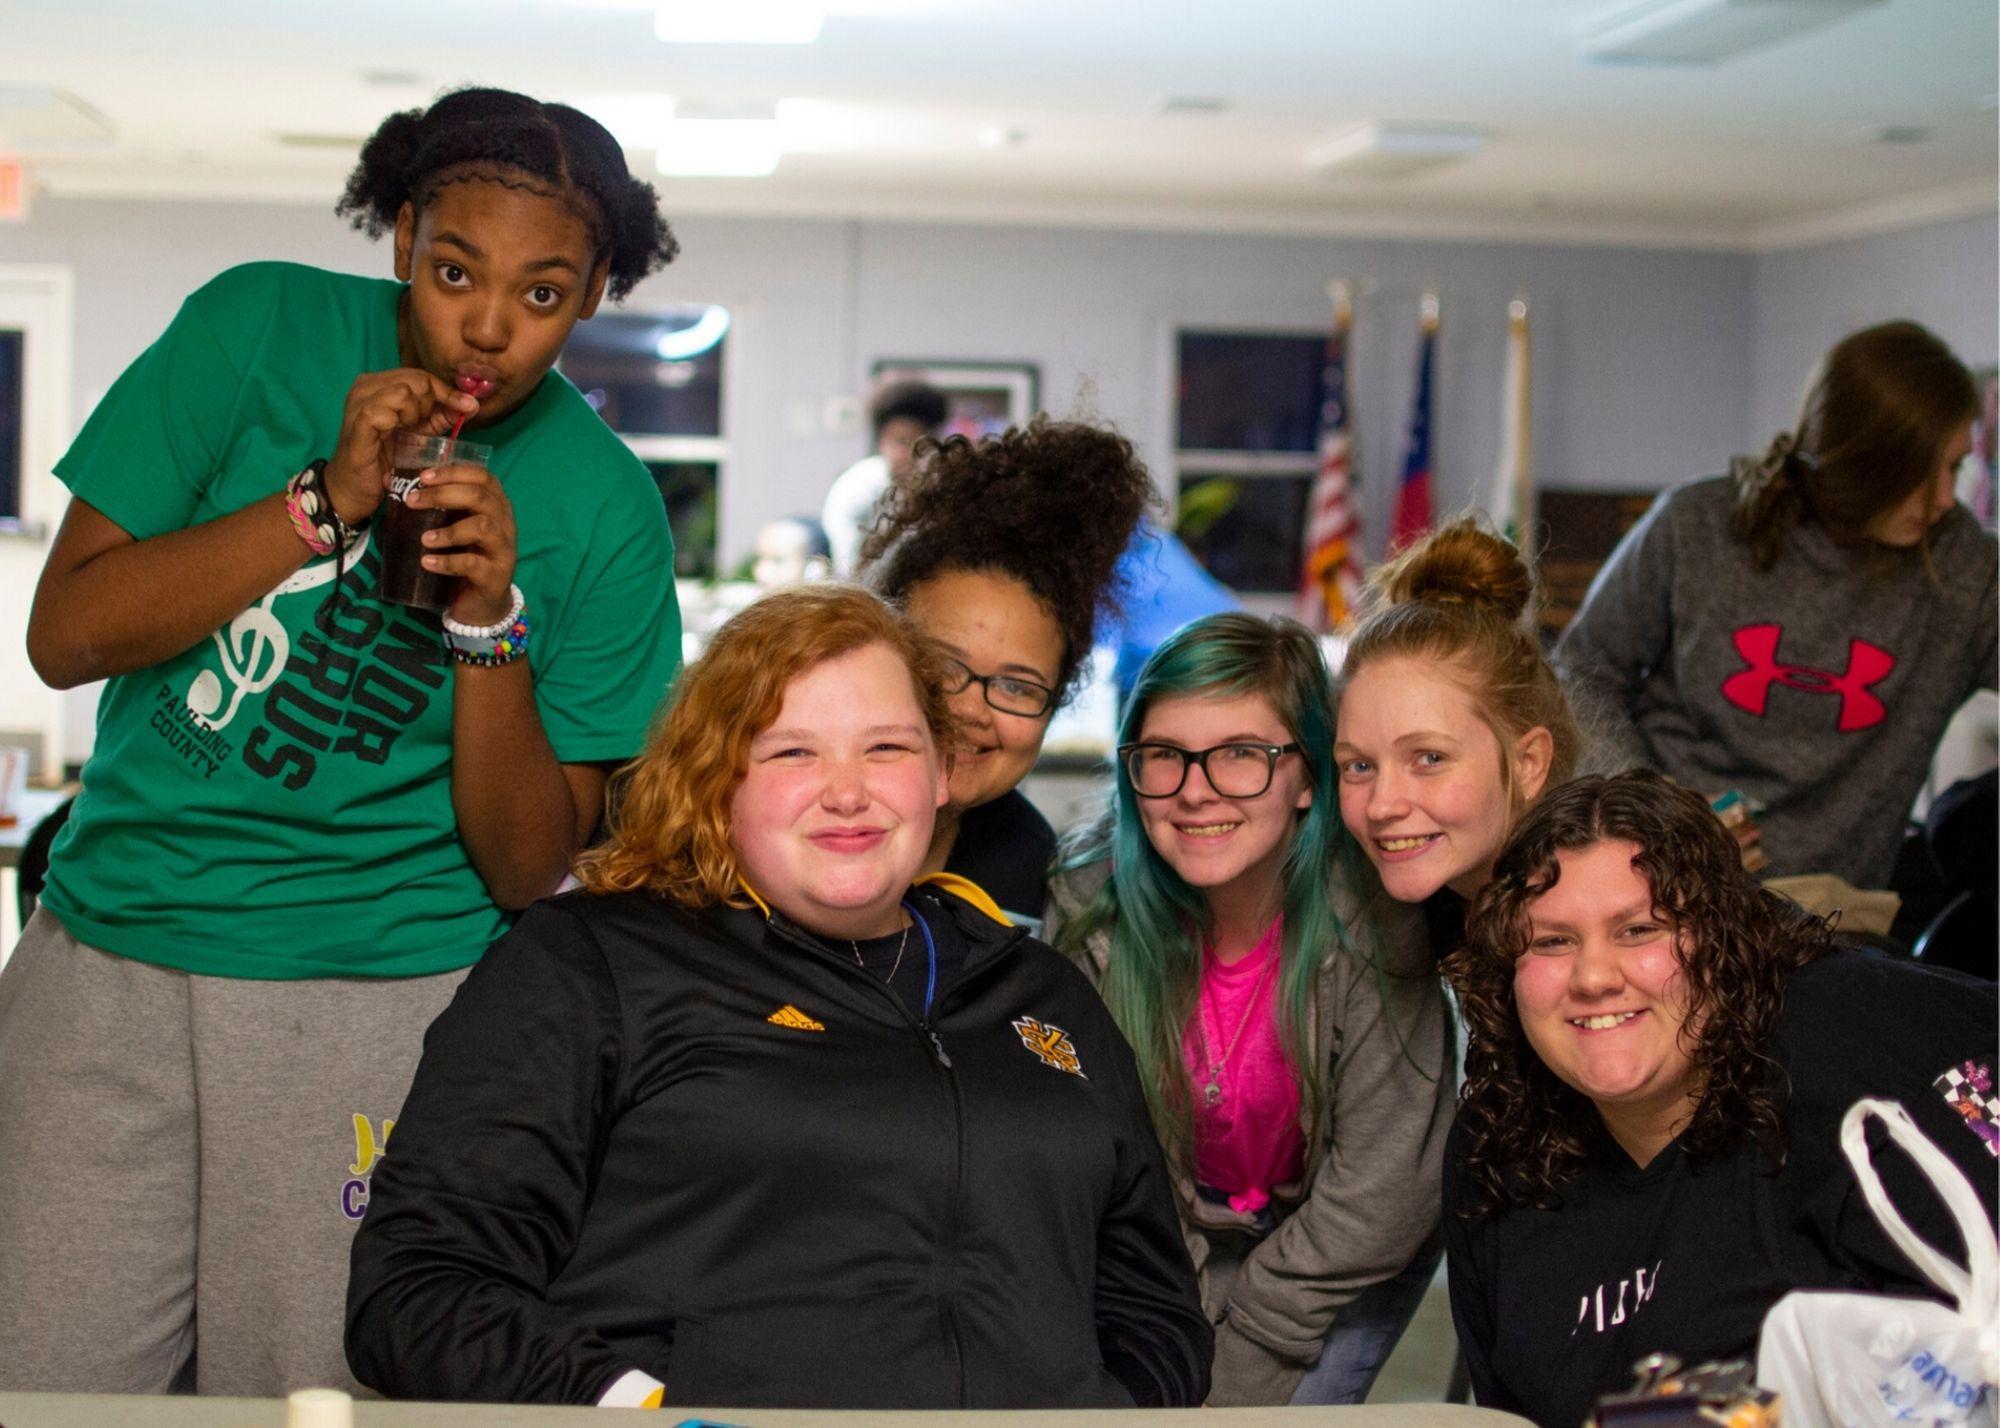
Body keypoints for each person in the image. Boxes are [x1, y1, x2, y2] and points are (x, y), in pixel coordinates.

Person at [4, 87, 682, 1396]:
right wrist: (324, 501)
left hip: (380, 997)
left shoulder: (604, 508)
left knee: (316, 1398)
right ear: (401, 241)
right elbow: (67, 635)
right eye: (452, 271)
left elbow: (527, 864)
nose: (486, 324)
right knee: (44, 1389)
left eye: (541, 294)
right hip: (108, 957)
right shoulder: (257, 326)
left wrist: (493, 626)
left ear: (596, 292)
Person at [345, 585, 1211, 1410]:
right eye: (794, 751)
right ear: (716, 781)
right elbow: (419, 1286)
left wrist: (1112, 1413)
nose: (848, 791)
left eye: (888, 747)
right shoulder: (591, 965)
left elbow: (1153, 1301)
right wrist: (644, 1410)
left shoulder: (1040, 989)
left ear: (942, 773)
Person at [1442, 770, 1999, 1428]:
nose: (1593, 977)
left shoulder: (1846, 1032)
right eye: (1552, 942)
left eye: (1639, 930)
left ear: (1725, 940)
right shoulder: (1495, 1147)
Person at [1046, 613, 1452, 1406]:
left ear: (1308, 777)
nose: (1195, 791)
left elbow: (1387, 1183)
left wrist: (1246, 1349)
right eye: (1164, 756)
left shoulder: (1374, 909)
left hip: (1338, 1252)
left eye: (1241, 755)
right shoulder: (1088, 898)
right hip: (1157, 1248)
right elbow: (1107, 1157)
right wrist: (1183, 1319)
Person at [1557, 321, 1996, 889]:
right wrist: (1652, 808)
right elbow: (1574, 677)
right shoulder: (1694, 526)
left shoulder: (1965, 569)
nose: (1945, 499)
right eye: (1921, 473)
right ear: (1861, 459)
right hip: (1656, 884)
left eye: (1956, 468)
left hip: (1830, 919)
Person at [864, 415, 1153, 928]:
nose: (971, 709)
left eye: (1018, 686)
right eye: (943, 666)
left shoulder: (1039, 884)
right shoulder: (763, 836)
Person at [1333, 518, 1580, 950]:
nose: (1381, 805)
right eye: (1359, 766)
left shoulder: (1586, 926)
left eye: (1429, 758)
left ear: (1528, 763)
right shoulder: (1447, 914)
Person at [820, 378, 948, 576]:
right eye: (901, 442)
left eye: (922, 444)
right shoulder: (856, 489)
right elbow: (847, 568)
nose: (912, 453)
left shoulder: (944, 487)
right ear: (881, 443)